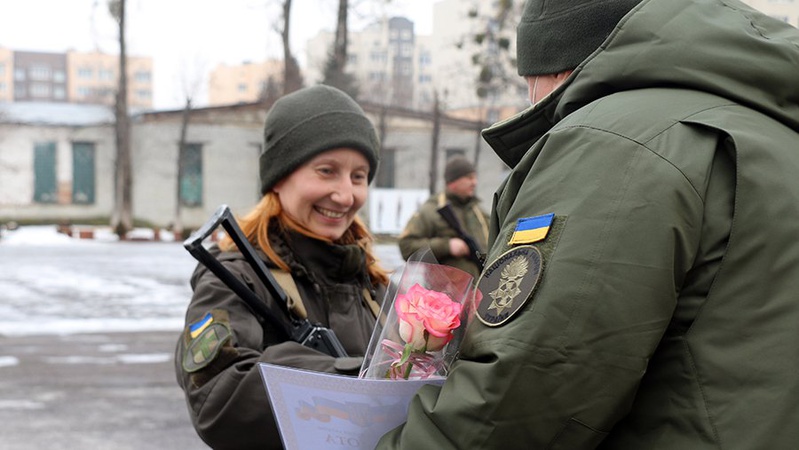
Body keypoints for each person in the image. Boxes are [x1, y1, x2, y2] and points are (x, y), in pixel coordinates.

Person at [377, 0, 799, 448]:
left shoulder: (614, 141)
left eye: (528, 82)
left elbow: (523, 395)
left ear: (559, 67)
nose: (530, 99)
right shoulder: (774, 135)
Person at [175, 84, 390, 450]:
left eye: (358, 176)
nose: (345, 195)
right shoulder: (235, 277)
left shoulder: (373, 281)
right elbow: (217, 393)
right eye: (326, 171)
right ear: (279, 177)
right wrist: (357, 384)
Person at [397, 155, 490, 280]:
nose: (474, 183)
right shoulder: (431, 210)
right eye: (469, 178)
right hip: (445, 290)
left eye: (475, 178)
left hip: (481, 288)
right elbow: (406, 246)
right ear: (452, 182)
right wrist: (447, 246)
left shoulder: (480, 213)